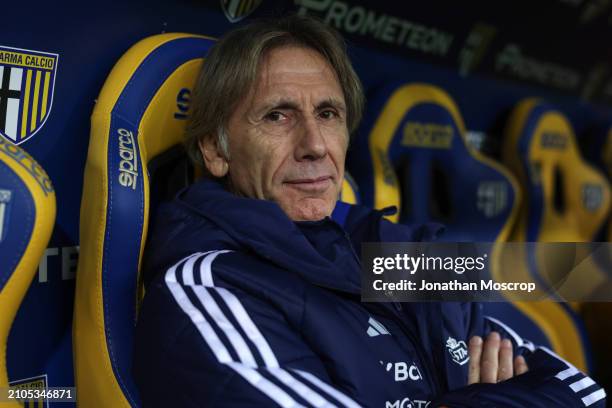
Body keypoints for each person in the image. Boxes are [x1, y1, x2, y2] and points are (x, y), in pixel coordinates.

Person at [133, 15, 606, 407]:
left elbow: (583, 392)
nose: (315, 145)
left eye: (328, 114)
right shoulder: (208, 289)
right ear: (215, 151)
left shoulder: (401, 256)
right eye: (277, 115)